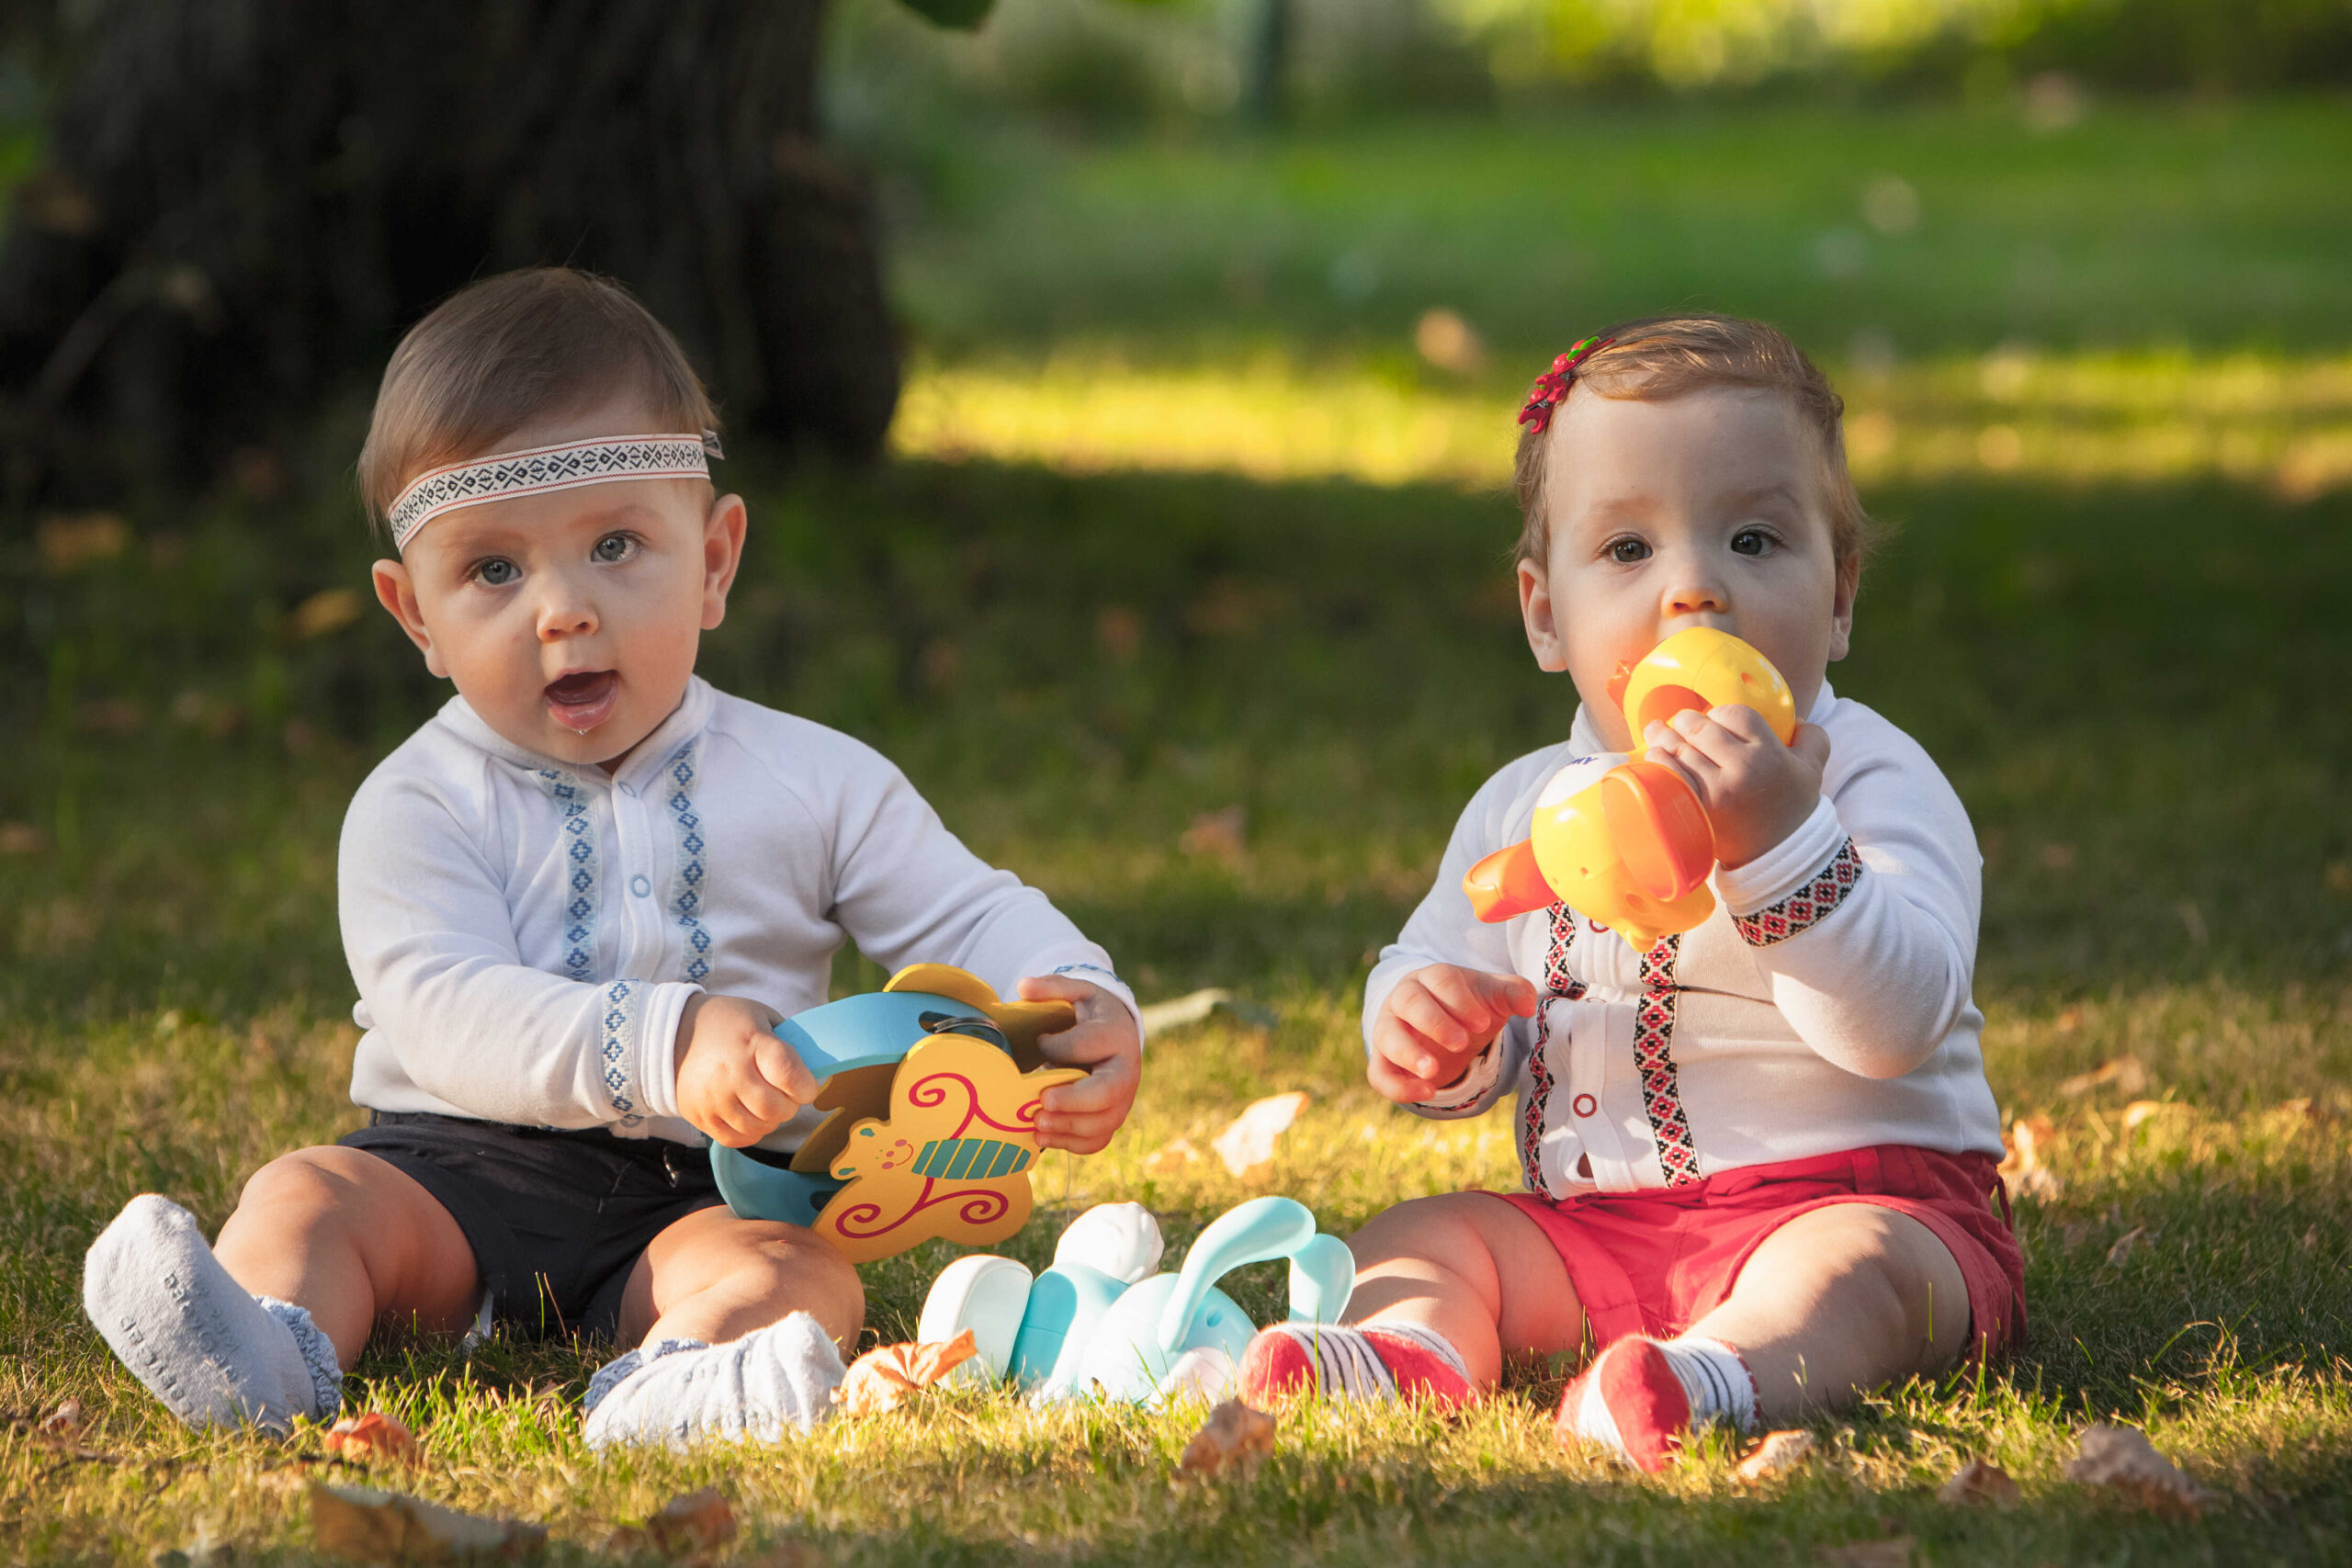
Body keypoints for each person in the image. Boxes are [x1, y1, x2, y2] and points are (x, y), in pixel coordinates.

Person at [81, 268, 1145, 1447]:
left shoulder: (815, 779)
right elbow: (440, 1007)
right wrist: (668, 1037)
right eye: (493, 571)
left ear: (716, 559)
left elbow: (962, 915)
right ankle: (271, 1346)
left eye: (618, 545)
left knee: (804, 1277)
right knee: (309, 1196)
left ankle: (679, 1380)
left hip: (702, 1194)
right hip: (449, 1173)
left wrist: (1069, 998)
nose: (561, 611)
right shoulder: (415, 804)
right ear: (413, 615)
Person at [1237, 316, 2019, 1471]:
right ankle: (1418, 1352)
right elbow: (1451, 965)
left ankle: (1723, 1376)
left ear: (1840, 596)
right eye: (1626, 552)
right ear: (1544, 613)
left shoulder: (1866, 778)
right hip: (1596, 1229)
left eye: (1754, 540)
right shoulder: (1523, 805)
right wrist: (1431, 1029)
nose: (1693, 590)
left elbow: (1898, 1025)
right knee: (1422, 1235)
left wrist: (1782, 843)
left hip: (1854, 1198)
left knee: (1857, 1276)